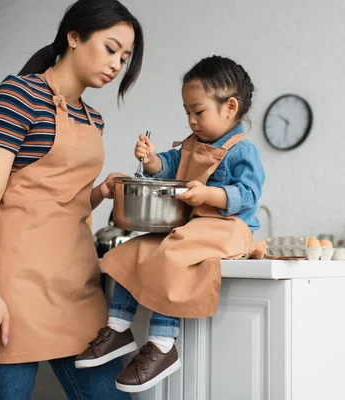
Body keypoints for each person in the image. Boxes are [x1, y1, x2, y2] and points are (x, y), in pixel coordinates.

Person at [0, 1, 143, 399]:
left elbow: (60, 202)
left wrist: (99, 193)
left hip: (76, 286)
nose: (116, 65)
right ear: (74, 37)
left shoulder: (94, 119)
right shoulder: (18, 95)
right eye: (111, 49)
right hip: (13, 288)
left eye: (124, 58)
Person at [74, 55, 266, 393]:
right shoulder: (191, 144)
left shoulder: (242, 150)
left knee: (173, 255)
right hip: (192, 228)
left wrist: (208, 194)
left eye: (198, 111)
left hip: (229, 228)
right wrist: (150, 159)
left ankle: (163, 344)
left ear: (230, 107)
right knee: (134, 250)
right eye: (187, 112)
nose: (191, 120)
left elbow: (248, 195)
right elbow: (166, 166)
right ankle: (118, 326)